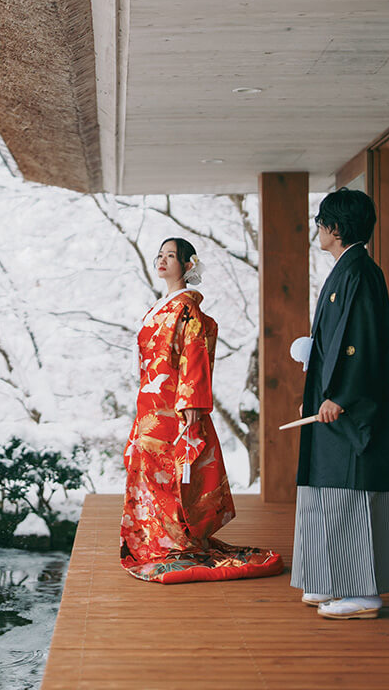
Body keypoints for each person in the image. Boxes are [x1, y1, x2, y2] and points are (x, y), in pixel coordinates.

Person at [120, 237, 283, 583]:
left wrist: (191, 403)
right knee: (151, 473)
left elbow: (194, 354)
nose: (162, 260)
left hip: (173, 405)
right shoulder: (161, 306)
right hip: (151, 400)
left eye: (170, 256)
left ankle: (176, 540)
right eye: (159, 254)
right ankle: (154, 539)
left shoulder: (186, 309)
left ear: (188, 265)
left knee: (174, 474)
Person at [291, 188, 389, 619]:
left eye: (321, 222)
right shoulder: (349, 269)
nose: (317, 229)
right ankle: (331, 578)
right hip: (334, 404)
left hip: (351, 408)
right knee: (328, 489)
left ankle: (364, 592)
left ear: (336, 228)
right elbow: (342, 339)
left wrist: (341, 394)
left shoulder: (360, 273)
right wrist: (314, 351)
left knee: (351, 491)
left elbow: (365, 343)